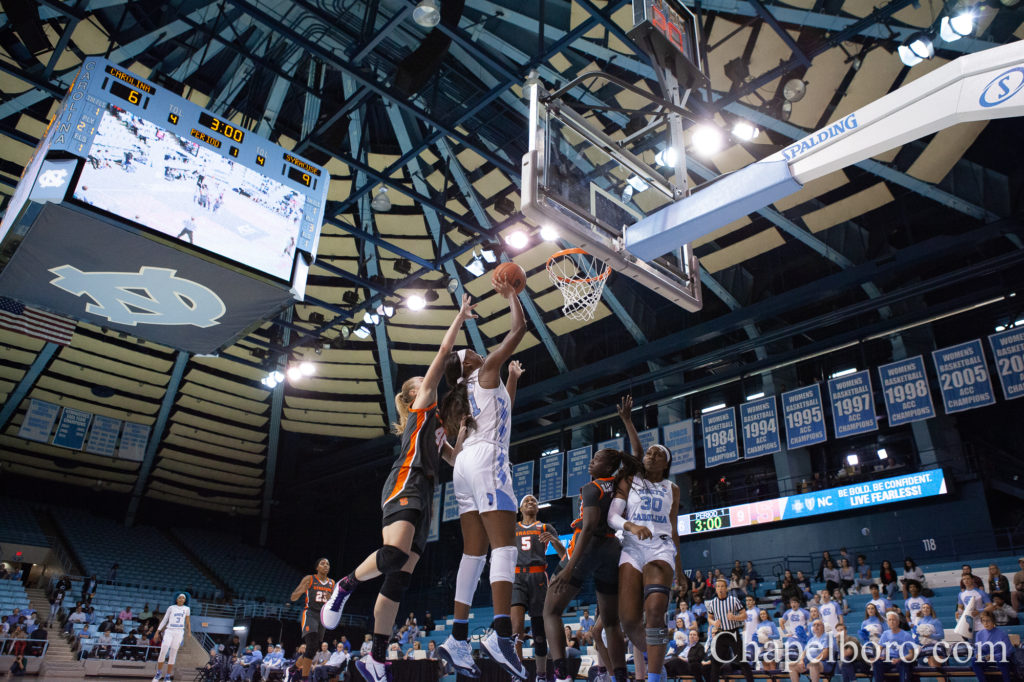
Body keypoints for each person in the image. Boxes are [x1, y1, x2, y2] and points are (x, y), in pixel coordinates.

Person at [322, 297, 478, 682]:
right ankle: (346, 585)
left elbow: (452, 460)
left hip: (425, 494)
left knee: (399, 578)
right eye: (418, 383)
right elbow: (443, 356)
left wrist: (468, 444)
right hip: (405, 479)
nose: (424, 382)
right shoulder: (422, 406)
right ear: (412, 397)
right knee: (392, 555)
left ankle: (375, 656)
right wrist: (459, 318)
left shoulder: (438, 421)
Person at [436, 281, 528, 680]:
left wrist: (514, 381)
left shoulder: (473, 390)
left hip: (464, 468)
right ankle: (501, 633)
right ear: (469, 364)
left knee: (473, 554)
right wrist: (512, 297)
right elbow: (520, 329)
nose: (475, 350)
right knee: (505, 547)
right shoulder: (484, 370)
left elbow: (499, 411)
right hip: (489, 459)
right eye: (469, 351)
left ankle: (458, 636)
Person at [544, 401, 630, 682]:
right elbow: (636, 455)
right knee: (612, 622)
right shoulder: (619, 483)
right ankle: (619, 676)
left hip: (590, 547)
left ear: (607, 465)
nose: (591, 462)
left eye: (596, 459)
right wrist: (627, 422)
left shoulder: (590, 488)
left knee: (550, 610)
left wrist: (569, 568)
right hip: (613, 550)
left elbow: (590, 526)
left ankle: (560, 674)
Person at [609, 404, 682, 682]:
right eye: (649, 452)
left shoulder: (672, 488)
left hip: (660, 549)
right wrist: (631, 525)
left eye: (658, 453)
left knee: (654, 612)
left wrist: (681, 568)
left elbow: (674, 528)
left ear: (666, 463)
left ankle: (652, 677)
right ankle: (659, 665)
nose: (651, 454)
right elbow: (612, 516)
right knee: (629, 621)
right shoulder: (630, 479)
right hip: (631, 547)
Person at [511, 494, 564, 677]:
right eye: (526, 501)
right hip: (518, 577)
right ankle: (517, 671)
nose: (531, 502)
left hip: (539, 578)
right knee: (516, 627)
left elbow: (564, 555)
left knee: (539, 633)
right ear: (520, 509)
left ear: (538, 508)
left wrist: (555, 541)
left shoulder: (545, 527)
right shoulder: (513, 528)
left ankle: (541, 674)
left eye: (534, 501)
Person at [288, 558, 335, 682]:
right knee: (312, 644)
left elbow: (332, 603)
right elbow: (293, 597)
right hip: (310, 614)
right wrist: (300, 591)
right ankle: (305, 679)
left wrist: (331, 600)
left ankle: (294, 667)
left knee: (313, 649)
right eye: (322, 563)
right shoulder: (310, 579)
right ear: (317, 567)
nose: (326, 566)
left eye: (328, 564)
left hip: (323, 617)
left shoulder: (332, 583)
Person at [706, 578, 755, 682]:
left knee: (742, 661)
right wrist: (714, 622)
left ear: (726, 588)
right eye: (718, 586)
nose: (720, 588)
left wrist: (734, 617)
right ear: (715, 589)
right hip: (720, 634)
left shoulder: (733, 600)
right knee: (715, 662)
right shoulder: (713, 603)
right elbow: (709, 617)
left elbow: (744, 615)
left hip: (733, 633)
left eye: (722, 586)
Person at [151, 593, 190, 682]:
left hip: (179, 632)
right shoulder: (171, 608)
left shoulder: (187, 609)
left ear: (185, 600)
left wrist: (189, 632)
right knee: (163, 650)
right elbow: (164, 620)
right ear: (177, 599)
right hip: (169, 630)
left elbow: (188, 621)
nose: (181, 599)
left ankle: (167, 676)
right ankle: (158, 673)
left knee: (173, 653)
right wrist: (157, 631)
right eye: (179, 598)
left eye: (183, 598)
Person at [872, 612, 915, 682]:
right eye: (889, 620)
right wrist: (879, 656)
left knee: (903, 663)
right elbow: (879, 649)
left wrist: (900, 659)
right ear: (887, 623)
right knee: (877, 662)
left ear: (898, 622)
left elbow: (911, 654)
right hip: (889, 660)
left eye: (893, 620)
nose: (891, 622)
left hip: (901, 659)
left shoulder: (906, 635)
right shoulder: (885, 634)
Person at [970, 611, 1013, 682]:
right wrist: (978, 654)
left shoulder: (1002, 634)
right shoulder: (979, 634)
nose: (986, 623)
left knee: (1002, 661)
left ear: (993, 621)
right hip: (986, 659)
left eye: (988, 621)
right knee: (974, 660)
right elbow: (977, 649)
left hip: (999, 659)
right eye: (983, 621)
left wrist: (994, 656)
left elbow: (1008, 652)